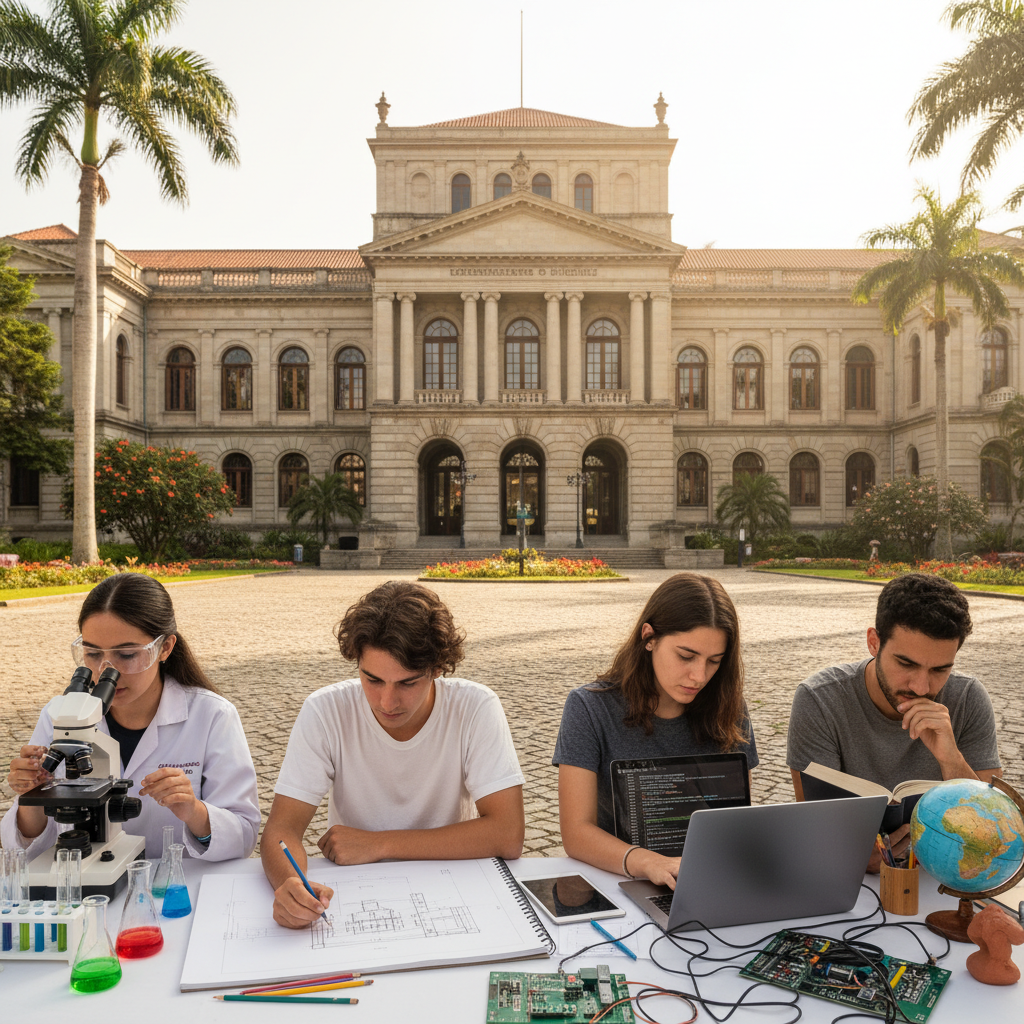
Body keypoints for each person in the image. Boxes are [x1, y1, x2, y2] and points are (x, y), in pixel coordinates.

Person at [262, 581, 526, 929]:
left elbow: (507, 834)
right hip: (355, 893)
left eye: (407, 683)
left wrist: (381, 844)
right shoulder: (325, 711)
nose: (387, 703)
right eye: (372, 680)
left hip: (453, 887)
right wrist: (289, 885)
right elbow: (281, 829)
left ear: (437, 669)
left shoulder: (475, 707)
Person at [3, 573, 260, 861]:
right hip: (82, 889)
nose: (105, 670)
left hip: (175, 887)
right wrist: (32, 796)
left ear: (165, 647)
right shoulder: (59, 714)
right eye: (92, 653)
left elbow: (244, 833)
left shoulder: (212, 716)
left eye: (126, 654)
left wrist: (194, 811)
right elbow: (23, 845)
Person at [553, 572, 758, 891]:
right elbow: (577, 833)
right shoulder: (590, 708)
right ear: (649, 637)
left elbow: (736, 822)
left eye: (714, 661)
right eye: (686, 656)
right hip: (619, 880)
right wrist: (647, 862)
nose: (699, 676)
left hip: (710, 881)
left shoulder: (728, 707)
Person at [787, 572, 1001, 869]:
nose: (922, 687)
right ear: (874, 643)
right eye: (906, 664)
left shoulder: (968, 698)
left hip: (941, 876)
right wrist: (852, 854)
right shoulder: (820, 699)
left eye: (940, 669)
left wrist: (951, 759)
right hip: (854, 882)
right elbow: (815, 823)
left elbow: (995, 832)